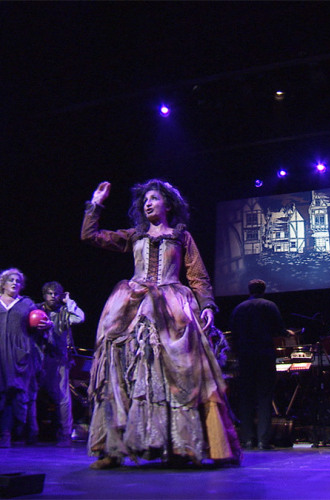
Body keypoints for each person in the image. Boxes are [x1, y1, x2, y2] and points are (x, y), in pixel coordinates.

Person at [81, 180, 240, 469]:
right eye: (144, 200)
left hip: (172, 307)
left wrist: (207, 306)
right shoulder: (133, 235)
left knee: (180, 375)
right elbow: (89, 235)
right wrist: (96, 204)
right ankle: (113, 449)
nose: (148, 203)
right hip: (133, 306)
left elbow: (198, 276)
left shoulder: (181, 237)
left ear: (168, 204)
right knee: (121, 373)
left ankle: (180, 445)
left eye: (154, 198)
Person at [230, 279, 287, 450]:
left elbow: (233, 332)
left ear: (249, 290)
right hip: (264, 355)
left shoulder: (239, 308)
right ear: (264, 290)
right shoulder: (270, 306)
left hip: (245, 356)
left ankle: (247, 439)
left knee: (246, 398)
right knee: (264, 397)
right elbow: (279, 329)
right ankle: (263, 440)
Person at [0, 268, 48, 447]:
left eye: (17, 281)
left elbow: (40, 323)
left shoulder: (26, 304)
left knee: (15, 392)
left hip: (19, 353)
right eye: (10, 280)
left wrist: (46, 325)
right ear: (3, 283)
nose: (14, 283)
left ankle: (9, 432)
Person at [34, 281, 85, 446]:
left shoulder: (64, 312)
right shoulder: (36, 309)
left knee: (63, 397)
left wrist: (69, 302)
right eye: (49, 293)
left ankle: (64, 435)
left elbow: (80, 318)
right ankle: (28, 433)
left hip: (57, 360)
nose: (53, 296)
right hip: (37, 358)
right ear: (44, 295)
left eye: (56, 293)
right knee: (30, 395)